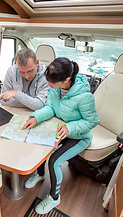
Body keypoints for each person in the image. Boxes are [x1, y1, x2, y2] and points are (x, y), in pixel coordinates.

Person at [21, 57, 99, 214]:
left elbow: (92, 121)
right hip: (60, 128)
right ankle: (40, 174)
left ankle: (54, 197)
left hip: (79, 136)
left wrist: (70, 128)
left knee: (54, 161)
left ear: (66, 80)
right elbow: (50, 107)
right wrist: (36, 117)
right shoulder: (56, 88)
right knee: (40, 147)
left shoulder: (85, 97)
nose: (49, 85)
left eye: (52, 83)